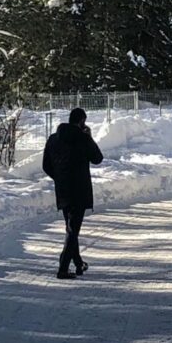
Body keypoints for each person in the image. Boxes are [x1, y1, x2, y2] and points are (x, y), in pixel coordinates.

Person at [42, 108, 104, 279]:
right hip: (80, 189)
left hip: (62, 190)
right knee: (72, 230)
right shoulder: (82, 138)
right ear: (82, 121)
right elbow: (98, 158)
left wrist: (60, 177)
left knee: (71, 228)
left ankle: (78, 263)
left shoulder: (53, 139)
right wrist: (89, 137)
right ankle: (63, 268)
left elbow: (46, 165)